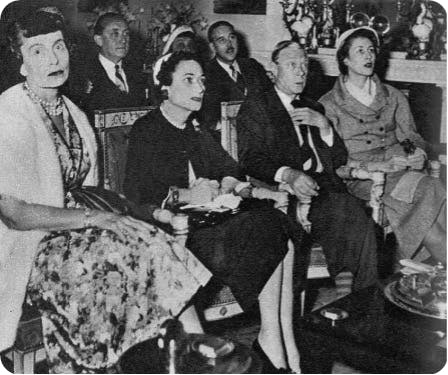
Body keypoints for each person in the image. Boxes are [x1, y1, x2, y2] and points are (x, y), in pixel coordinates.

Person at [0, 11, 213, 372]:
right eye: (37, 52)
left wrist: (144, 214)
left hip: (75, 230)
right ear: (20, 63)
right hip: (26, 242)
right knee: (109, 261)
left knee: (150, 240)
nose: (53, 59)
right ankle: (102, 364)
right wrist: (96, 219)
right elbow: (14, 213)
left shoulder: (73, 113)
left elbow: (95, 193)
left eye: (58, 46)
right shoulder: (9, 113)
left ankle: (193, 357)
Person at [124, 51, 303, 373]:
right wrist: (186, 194)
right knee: (267, 230)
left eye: (202, 80)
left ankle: (279, 337)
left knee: (276, 225)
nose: (200, 87)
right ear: (165, 86)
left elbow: (229, 169)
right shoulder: (146, 130)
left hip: (212, 224)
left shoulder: (195, 128)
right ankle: (274, 341)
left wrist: (230, 185)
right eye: (188, 80)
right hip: (176, 235)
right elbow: (137, 198)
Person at [237, 40, 378, 296]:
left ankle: (359, 296)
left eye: (304, 65)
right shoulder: (257, 107)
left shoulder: (314, 107)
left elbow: (337, 160)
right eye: (292, 65)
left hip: (324, 187)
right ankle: (354, 296)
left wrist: (324, 126)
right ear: (274, 68)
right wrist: (289, 174)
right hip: (284, 191)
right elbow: (250, 159)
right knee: (348, 212)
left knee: (358, 217)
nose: (301, 71)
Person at [319, 27, 446, 264]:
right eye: (360, 51)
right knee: (430, 222)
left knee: (433, 190)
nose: (368, 57)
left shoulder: (393, 95)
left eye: (371, 51)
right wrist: (378, 166)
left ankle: (424, 274)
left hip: (402, 167)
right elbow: (334, 160)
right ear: (344, 59)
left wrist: (416, 152)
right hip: (366, 177)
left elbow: (409, 138)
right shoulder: (329, 105)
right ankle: (421, 269)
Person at [199, 20, 273, 138]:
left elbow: (271, 100)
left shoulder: (252, 66)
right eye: (222, 40)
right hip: (226, 140)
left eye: (232, 37)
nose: (229, 44)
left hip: (262, 139)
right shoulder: (206, 74)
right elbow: (206, 120)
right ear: (213, 47)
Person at [82, 12, 147, 118]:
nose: (123, 40)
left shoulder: (138, 72)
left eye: (126, 34)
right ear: (99, 40)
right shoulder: (84, 75)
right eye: (115, 34)